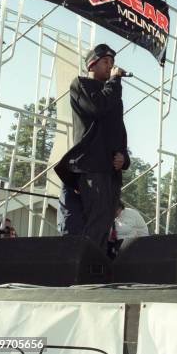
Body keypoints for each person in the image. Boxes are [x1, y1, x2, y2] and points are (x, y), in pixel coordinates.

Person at [54, 43, 130, 251]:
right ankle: (86, 269)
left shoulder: (113, 92)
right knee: (95, 220)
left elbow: (118, 129)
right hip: (90, 165)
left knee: (105, 222)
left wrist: (123, 157)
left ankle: (96, 268)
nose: (110, 66)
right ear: (92, 65)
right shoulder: (81, 84)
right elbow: (98, 107)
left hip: (109, 170)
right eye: (106, 62)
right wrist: (115, 80)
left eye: (112, 63)